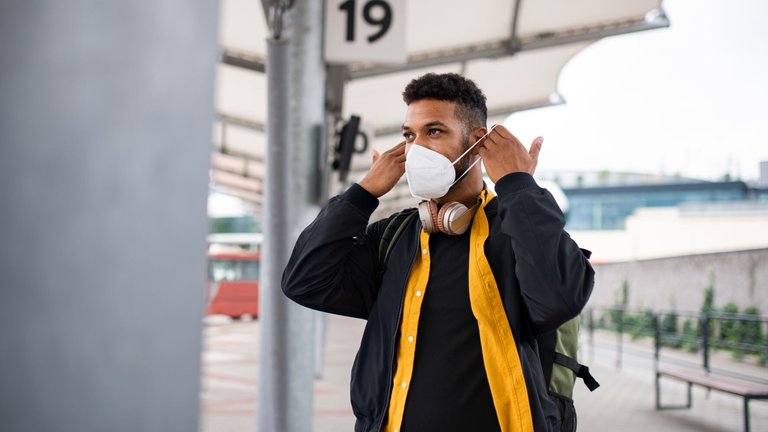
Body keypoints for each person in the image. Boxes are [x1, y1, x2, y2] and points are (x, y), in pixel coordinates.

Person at [282, 73, 594, 432]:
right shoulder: (394, 236)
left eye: (433, 131)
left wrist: (518, 186)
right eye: (408, 135)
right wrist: (362, 194)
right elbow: (304, 281)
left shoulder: (517, 231)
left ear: (479, 143)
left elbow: (559, 299)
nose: (416, 149)